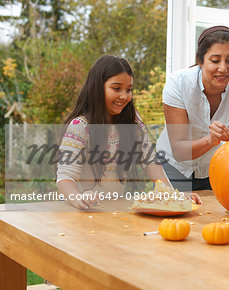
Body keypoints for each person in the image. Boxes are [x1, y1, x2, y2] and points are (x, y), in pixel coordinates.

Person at [57, 55, 200, 210]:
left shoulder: (132, 122)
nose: (124, 96)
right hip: (79, 211)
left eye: (129, 90)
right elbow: (65, 178)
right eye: (116, 88)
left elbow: (149, 160)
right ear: (97, 87)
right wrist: (78, 197)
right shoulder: (80, 126)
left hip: (112, 210)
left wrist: (173, 194)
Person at [156, 25, 229, 191]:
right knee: (173, 213)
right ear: (200, 60)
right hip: (174, 167)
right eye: (215, 60)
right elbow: (180, 151)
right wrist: (211, 140)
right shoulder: (177, 84)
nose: (223, 68)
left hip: (214, 169)